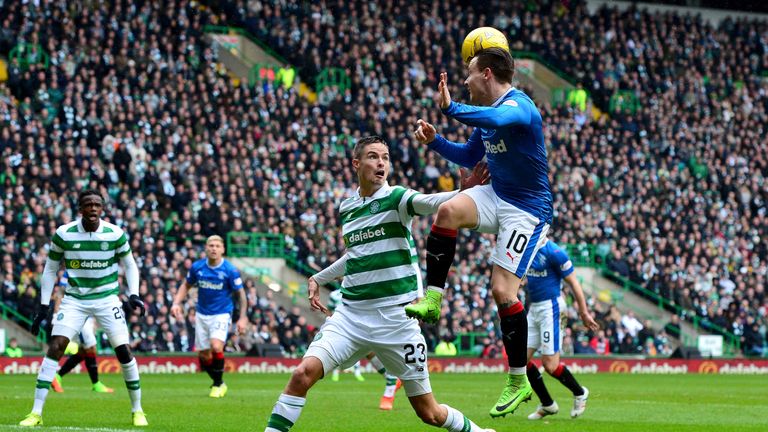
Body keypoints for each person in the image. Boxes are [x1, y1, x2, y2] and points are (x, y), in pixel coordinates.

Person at [265, 135, 495, 432]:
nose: (381, 163)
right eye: (373, 156)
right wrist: (318, 277)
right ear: (357, 164)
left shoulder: (396, 198)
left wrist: (461, 194)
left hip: (397, 320)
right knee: (301, 375)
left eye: (385, 157)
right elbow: (357, 255)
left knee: (430, 413)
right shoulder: (347, 207)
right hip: (351, 316)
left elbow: (427, 202)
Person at [406, 47, 553, 417]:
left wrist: (451, 107)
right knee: (448, 210)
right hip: (498, 193)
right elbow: (469, 158)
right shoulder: (488, 118)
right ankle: (434, 299)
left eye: (469, 73)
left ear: (487, 74)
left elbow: (496, 116)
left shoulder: (520, 107)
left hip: (527, 210)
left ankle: (518, 380)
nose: (465, 81)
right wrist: (436, 140)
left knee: (502, 291)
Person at [20, 189, 148, 427]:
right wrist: (44, 304)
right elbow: (50, 269)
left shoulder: (114, 233)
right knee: (56, 346)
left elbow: (130, 264)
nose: (92, 209)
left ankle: (137, 410)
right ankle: (36, 413)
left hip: (107, 299)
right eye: (87, 205)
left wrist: (134, 293)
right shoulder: (64, 233)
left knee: (123, 351)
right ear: (80, 209)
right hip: (74, 300)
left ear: (103, 209)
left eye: (97, 205)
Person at [524, 240, 598, 420]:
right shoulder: (525, 246)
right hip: (534, 309)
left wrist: (583, 312)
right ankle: (548, 404)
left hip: (552, 308)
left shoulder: (555, 252)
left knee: (550, 365)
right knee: (520, 361)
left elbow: (574, 282)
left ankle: (580, 393)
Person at [171, 235, 248, 398]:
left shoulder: (230, 270)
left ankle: (217, 385)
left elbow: (241, 294)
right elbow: (186, 285)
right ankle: (219, 382)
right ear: (206, 248)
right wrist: (176, 303)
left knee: (216, 346)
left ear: (222, 250)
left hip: (221, 313)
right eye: (211, 245)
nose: (214, 248)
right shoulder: (197, 267)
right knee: (204, 355)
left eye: (217, 246)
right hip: (202, 314)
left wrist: (242, 317)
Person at [51, 272, 114, 394]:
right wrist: (56, 313)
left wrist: (93, 317)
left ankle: (57, 377)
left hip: (87, 316)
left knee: (84, 351)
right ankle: (96, 384)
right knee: (90, 347)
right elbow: (60, 292)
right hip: (76, 315)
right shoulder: (70, 271)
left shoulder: (90, 268)